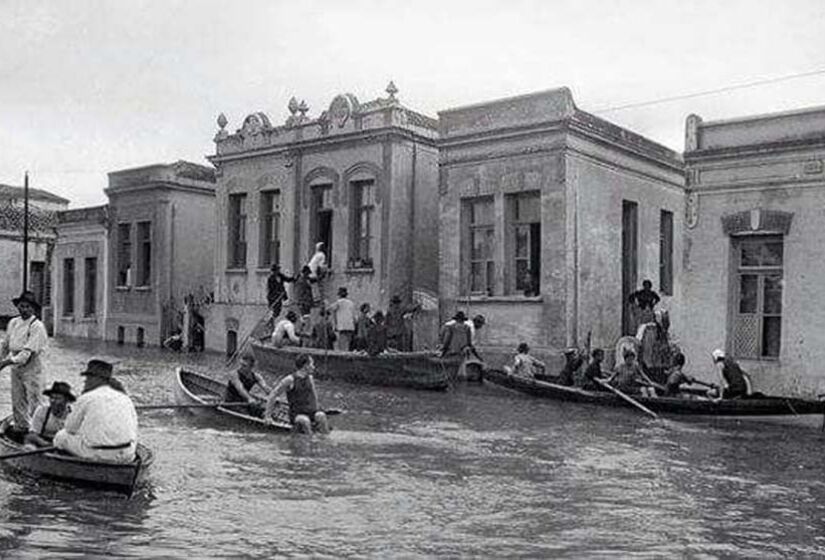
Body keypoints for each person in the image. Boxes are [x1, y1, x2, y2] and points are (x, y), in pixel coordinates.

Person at [53, 360, 138, 464]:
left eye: (88, 378)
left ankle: (65, 461)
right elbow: (134, 429)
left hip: (99, 455)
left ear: (96, 379)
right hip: (127, 454)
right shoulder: (125, 398)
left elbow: (70, 428)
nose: (85, 381)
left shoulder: (86, 397)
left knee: (60, 436)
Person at [0, 291, 48, 439]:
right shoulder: (14, 322)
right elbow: (6, 344)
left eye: (27, 307)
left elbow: (27, 353)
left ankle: (38, 431)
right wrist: (1, 358)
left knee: (35, 398)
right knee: (17, 397)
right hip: (16, 367)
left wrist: (6, 362)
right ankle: (21, 427)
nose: (24, 310)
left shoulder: (37, 326)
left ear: (33, 309)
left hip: (33, 367)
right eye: (21, 306)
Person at [263, 354, 329, 434]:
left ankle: (325, 438)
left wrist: (318, 408)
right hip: (297, 414)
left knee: (321, 416)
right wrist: (268, 416)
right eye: (312, 364)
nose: (314, 367)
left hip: (311, 412)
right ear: (305, 366)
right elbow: (273, 395)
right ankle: (310, 442)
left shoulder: (310, 378)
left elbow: (314, 397)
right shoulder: (290, 380)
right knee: (305, 420)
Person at [24, 381, 76, 447]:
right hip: (44, 443)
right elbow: (33, 435)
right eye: (51, 397)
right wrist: (45, 444)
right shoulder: (42, 411)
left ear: (66, 400)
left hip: (65, 445)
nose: (53, 401)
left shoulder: (74, 414)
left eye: (57, 398)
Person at [327, 287, 355, 351]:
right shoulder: (351, 303)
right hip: (350, 326)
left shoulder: (338, 302)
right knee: (347, 344)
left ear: (339, 295)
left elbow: (329, 309)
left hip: (342, 326)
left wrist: (326, 302)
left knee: (342, 345)